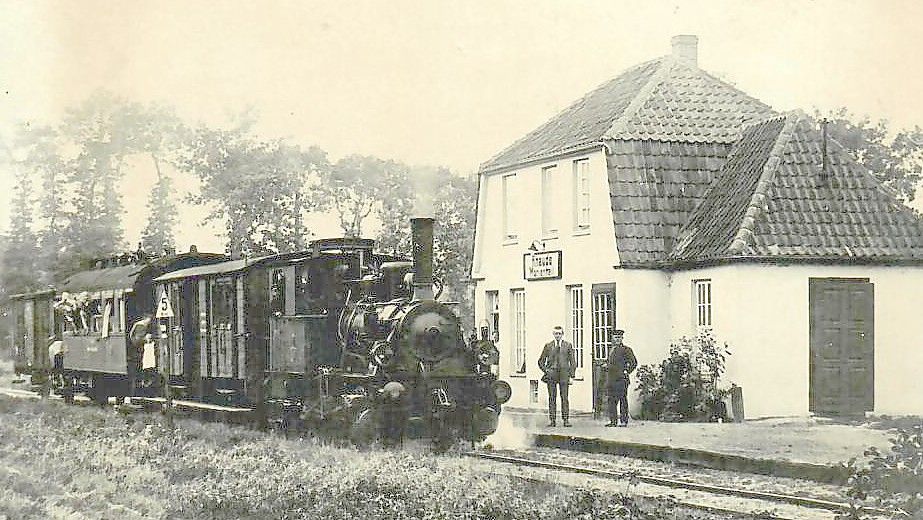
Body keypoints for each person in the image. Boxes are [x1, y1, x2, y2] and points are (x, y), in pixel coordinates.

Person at [538, 325, 576, 427]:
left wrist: (571, 375)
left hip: (564, 374)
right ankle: (552, 420)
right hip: (552, 375)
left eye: (559, 334)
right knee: (552, 397)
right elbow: (541, 361)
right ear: (553, 334)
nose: (557, 336)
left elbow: (572, 362)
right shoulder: (548, 346)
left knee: (564, 397)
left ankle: (566, 420)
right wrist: (546, 370)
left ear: (562, 334)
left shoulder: (568, 345)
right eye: (556, 334)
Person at [606, 329, 637, 427]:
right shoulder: (611, 350)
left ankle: (624, 421)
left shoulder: (626, 349)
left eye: (619, 337)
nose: (617, 339)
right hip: (611, 378)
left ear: (622, 338)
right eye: (616, 337)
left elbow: (634, 362)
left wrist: (627, 371)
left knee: (622, 399)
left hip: (621, 379)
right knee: (611, 400)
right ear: (612, 338)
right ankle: (613, 421)